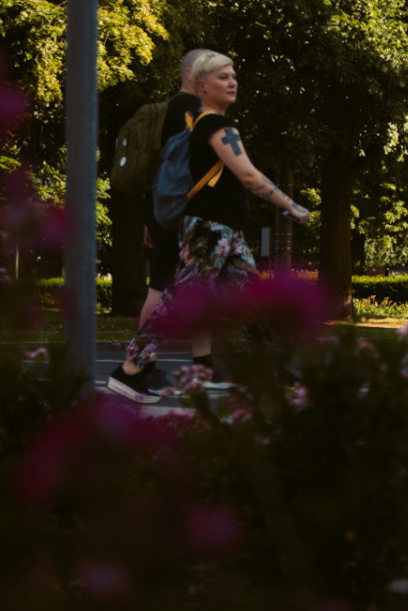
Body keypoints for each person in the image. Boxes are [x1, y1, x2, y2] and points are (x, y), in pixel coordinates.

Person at [108, 51, 312, 403]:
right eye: (222, 77)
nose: (232, 82)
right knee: (178, 300)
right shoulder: (214, 126)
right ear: (201, 86)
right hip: (208, 230)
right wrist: (290, 204)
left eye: (233, 76)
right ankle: (130, 370)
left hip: (226, 231)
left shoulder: (206, 124)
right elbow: (248, 176)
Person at [136, 48, 210, 392]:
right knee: (161, 287)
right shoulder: (189, 110)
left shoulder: (170, 108)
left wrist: (150, 216)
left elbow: (160, 168)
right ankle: (140, 366)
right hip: (180, 209)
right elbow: (188, 165)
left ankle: (203, 365)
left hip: (164, 206)